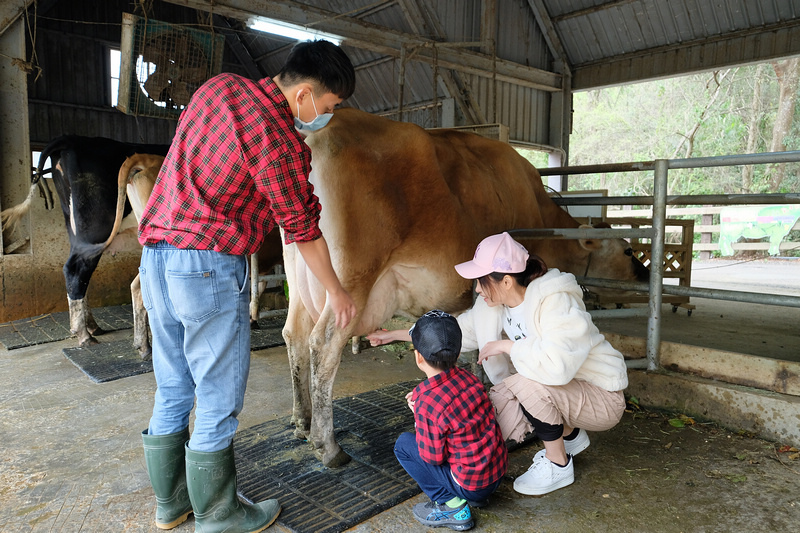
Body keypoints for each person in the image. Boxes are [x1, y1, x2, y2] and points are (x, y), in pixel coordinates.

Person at [137, 40, 357, 532]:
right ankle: (218, 513)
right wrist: (337, 292)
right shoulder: (278, 140)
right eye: (330, 106)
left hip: (155, 258)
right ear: (304, 95)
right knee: (217, 395)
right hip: (206, 266)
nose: (327, 116)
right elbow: (301, 227)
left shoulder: (218, 88)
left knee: (173, 385)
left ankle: (171, 505)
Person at [369, 232, 627, 497]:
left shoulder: (555, 300)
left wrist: (508, 346)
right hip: (567, 392)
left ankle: (558, 463)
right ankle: (571, 436)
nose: (478, 289)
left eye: (481, 281)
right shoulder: (494, 306)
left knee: (523, 384)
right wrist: (394, 335)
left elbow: (557, 365)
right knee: (488, 418)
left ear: (505, 280)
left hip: (601, 398)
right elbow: (451, 332)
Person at [391, 310, 507, 531]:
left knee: (404, 446)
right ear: (457, 353)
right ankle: (475, 496)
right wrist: (422, 400)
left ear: (418, 357)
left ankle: (453, 507)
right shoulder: (470, 378)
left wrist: (419, 416)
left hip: (471, 483)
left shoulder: (428, 404)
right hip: (495, 472)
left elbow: (432, 457)